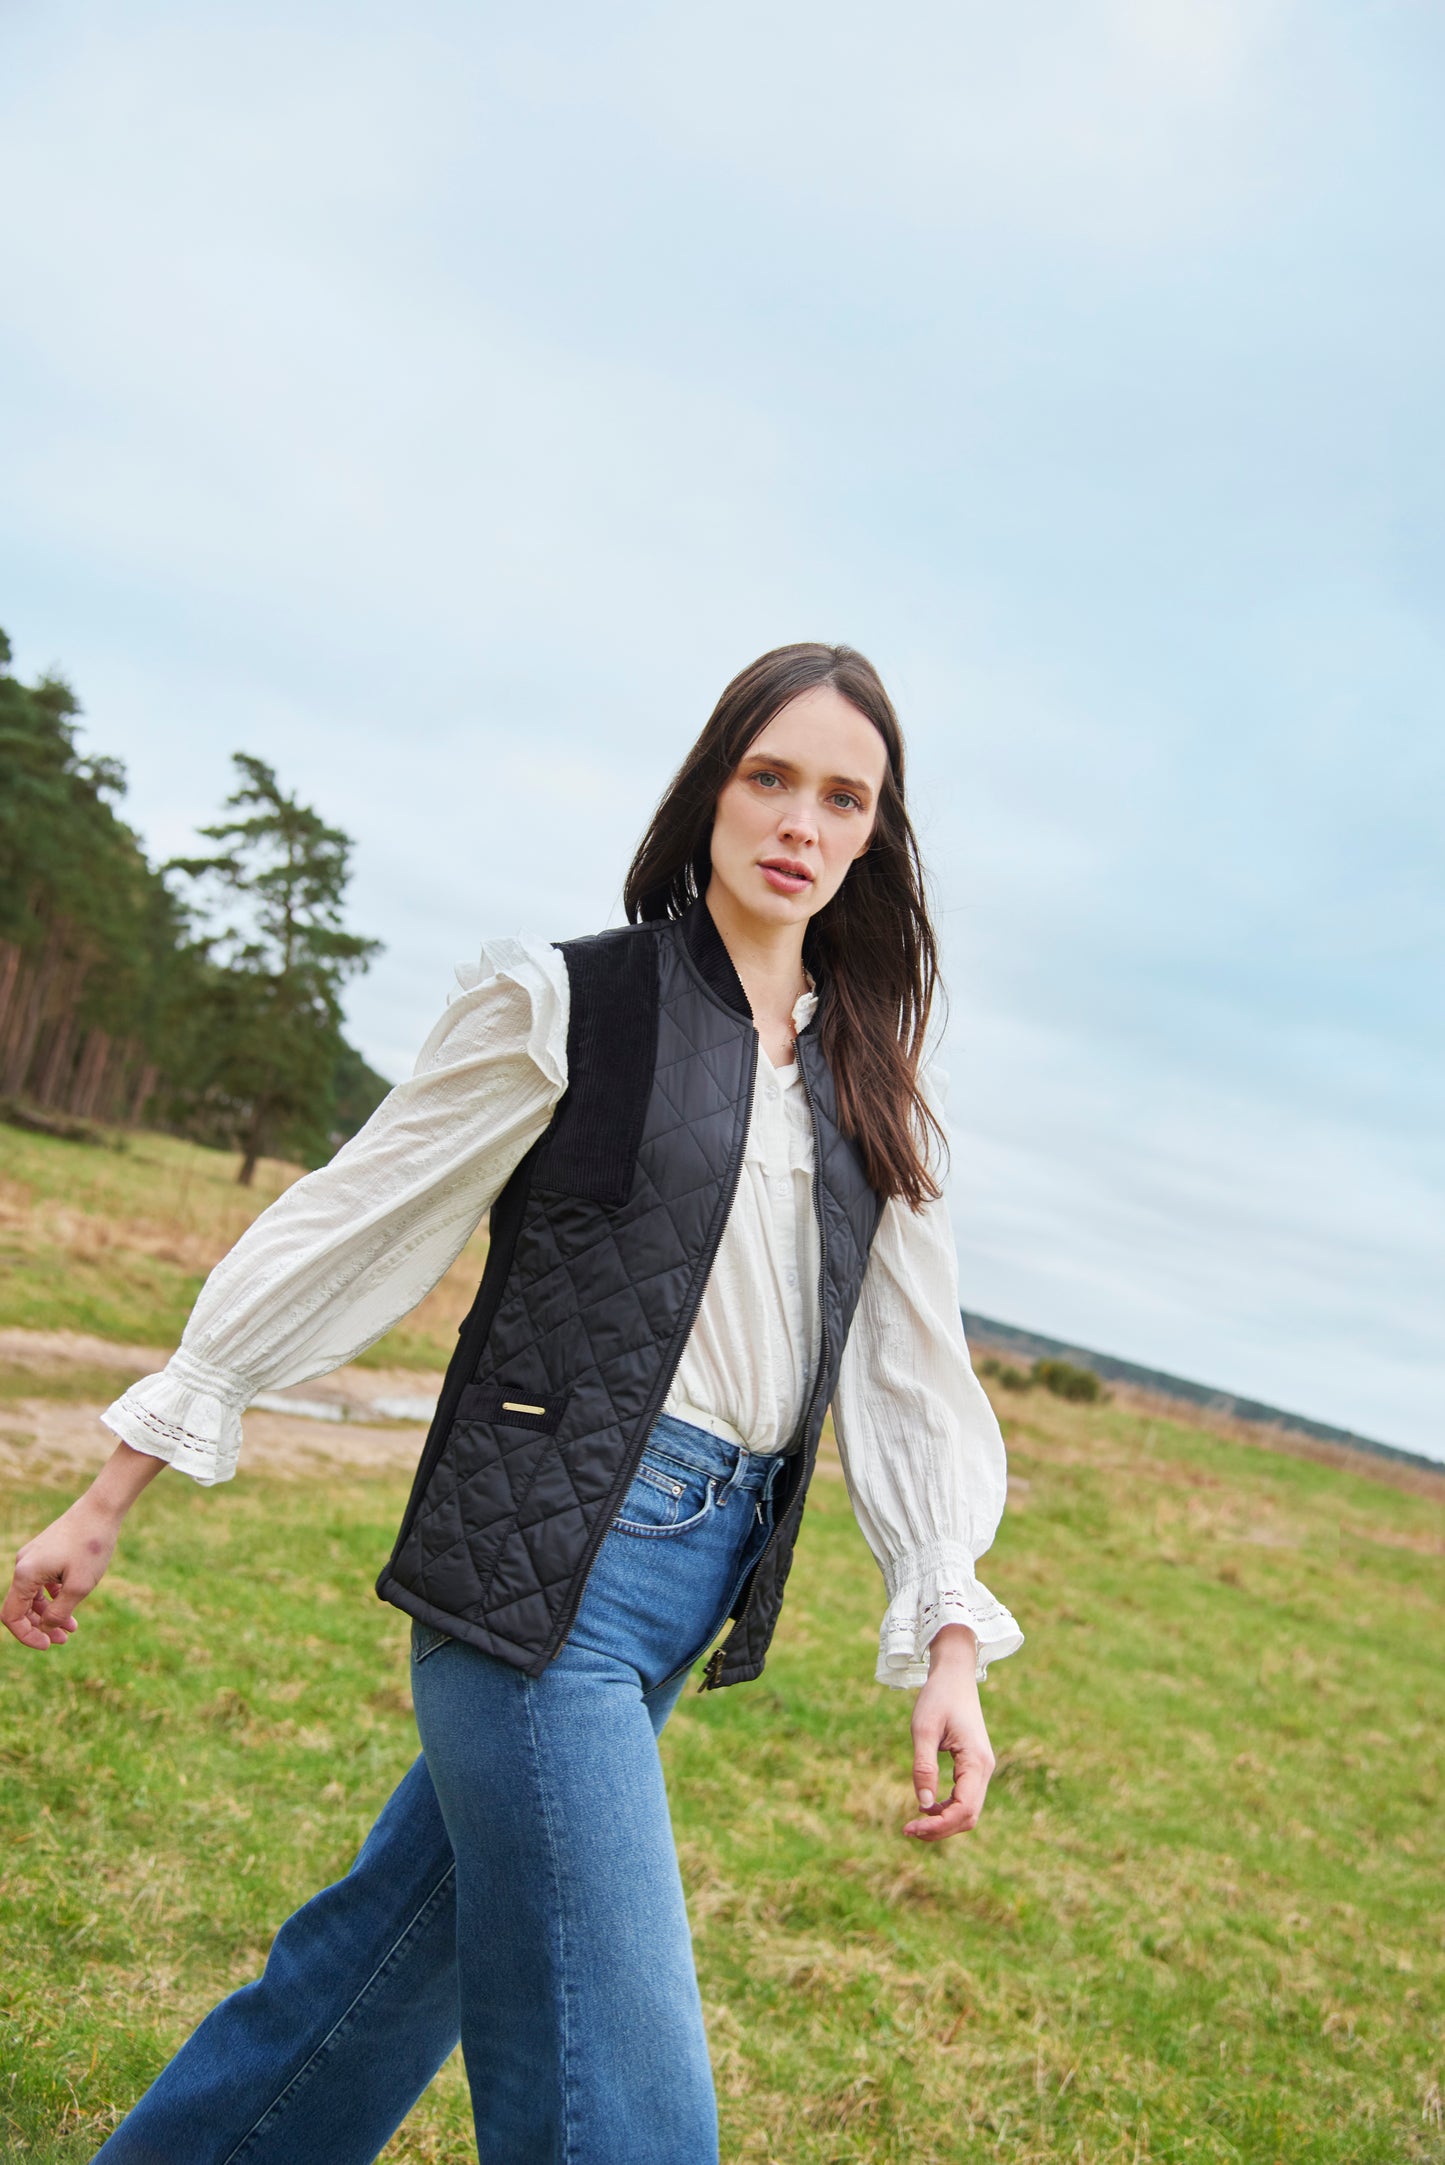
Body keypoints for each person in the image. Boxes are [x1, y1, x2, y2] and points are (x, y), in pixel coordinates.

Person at [4, 642, 1023, 2165]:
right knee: (636, 2122)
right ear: (710, 788)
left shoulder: (866, 1083)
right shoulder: (570, 1004)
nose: (798, 821)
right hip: (543, 1571)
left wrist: (949, 1634)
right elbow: (358, 1223)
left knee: (361, 1998)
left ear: (874, 834)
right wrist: (115, 1486)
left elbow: (906, 1370)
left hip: (690, 1581)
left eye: (841, 795)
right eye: (768, 776)